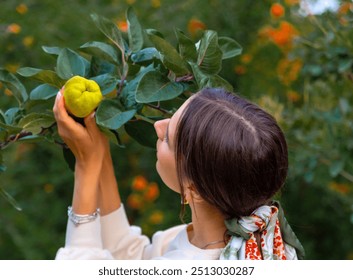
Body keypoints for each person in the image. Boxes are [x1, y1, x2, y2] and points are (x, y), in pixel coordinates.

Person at [53, 87, 305, 260]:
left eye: (168, 139)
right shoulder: (230, 239)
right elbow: (130, 257)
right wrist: (100, 155)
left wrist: (86, 168)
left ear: (193, 188)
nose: (157, 126)